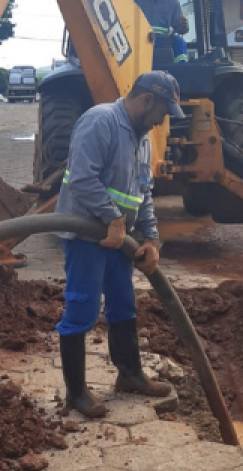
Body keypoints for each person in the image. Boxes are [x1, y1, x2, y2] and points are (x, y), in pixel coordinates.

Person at [54, 71, 185, 418]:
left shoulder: (142, 139)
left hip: (118, 241)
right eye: (163, 111)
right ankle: (77, 393)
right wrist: (113, 217)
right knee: (81, 310)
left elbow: (143, 194)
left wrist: (152, 236)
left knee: (123, 306)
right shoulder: (101, 122)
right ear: (146, 101)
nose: (163, 121)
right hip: (87, 237)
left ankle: (129, 375)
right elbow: (81, 178)